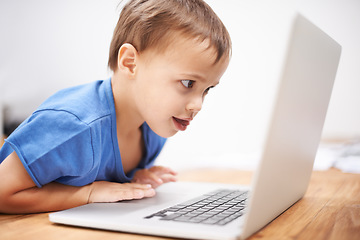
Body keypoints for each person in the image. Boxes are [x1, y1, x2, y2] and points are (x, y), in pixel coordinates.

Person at [0, 0, 231, 214]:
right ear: (130, 63)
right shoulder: (75, 126)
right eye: (188, 83)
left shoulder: (154, 126)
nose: (198, 104)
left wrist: (134, 179)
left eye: (207, 89)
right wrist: (88, 194)